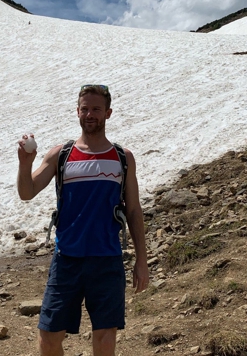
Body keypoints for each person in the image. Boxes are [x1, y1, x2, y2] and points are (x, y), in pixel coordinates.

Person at [17, 84, 149, 356]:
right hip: (67, 260)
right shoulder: (60, 155)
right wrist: (24, 163)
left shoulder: (122, 158)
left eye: (96, 109)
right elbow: (27, 192)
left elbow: (134, 210)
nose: (90, 114)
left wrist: (142, 261)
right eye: (85, 109)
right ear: (77, 111)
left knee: (104, 340)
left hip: (107, 260)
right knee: (49, 337)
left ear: (108, 113)